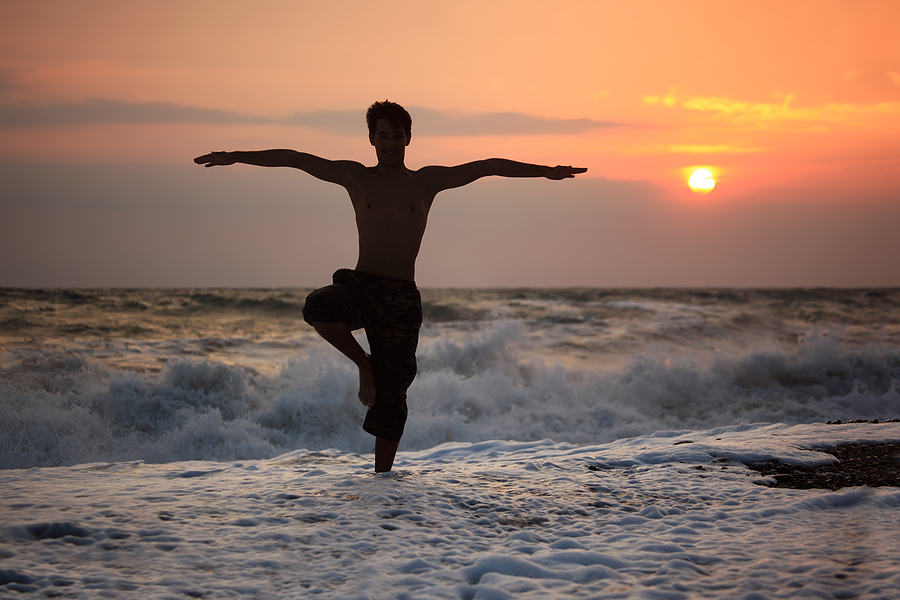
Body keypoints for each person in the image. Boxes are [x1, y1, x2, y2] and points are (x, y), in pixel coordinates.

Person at [194, 100, 586, 472]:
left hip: (400, 296)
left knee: (393, 397)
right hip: (361, 284)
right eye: (383, 136)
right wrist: (237, 156)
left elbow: (486, 166)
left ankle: (383, 482)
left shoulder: (427, 182)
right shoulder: (355, 177)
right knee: (320, 306)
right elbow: (295, 159)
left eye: (398, 136)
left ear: (408, 139)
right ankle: (365, 365)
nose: (391, 143)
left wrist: (545, 170)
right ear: (372, 140)